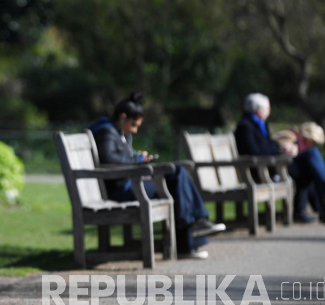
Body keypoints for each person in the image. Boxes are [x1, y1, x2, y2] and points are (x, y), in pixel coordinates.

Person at [89, 92, 226, 260]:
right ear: (123, 117)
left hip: (131, 183)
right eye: (133, 125)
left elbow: (119, 159)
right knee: (177, 177)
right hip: (121, 190)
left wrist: (137, 161)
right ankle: (192, 235)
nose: (135, 130)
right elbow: (109, 160)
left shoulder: (119, 133)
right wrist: (137, 160)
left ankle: (195, 231)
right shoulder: (107, 132)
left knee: (179, 174)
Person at [234, 93, 325, 224]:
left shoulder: (258, 124)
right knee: (310, 158)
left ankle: (318, 208)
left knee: (310, 161)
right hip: (262, 170)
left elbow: (267, 145)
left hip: (270, 165)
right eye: (268, 108)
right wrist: (280, 150)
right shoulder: (245, 127)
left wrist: (286, 147)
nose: (269, 111)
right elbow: (254, 152)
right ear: (260, 110)